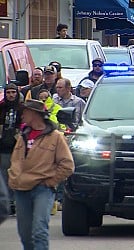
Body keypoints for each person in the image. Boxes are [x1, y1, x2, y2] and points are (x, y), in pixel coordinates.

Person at [8, 99, 74, 249]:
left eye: (25, 111)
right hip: (21, 189)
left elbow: (67, 165)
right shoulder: (22, 136)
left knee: (39, 230)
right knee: (25, 233)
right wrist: (13, 178)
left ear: (35, 114)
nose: (22, 115)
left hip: (42, 189)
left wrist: (51, 182)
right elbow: (15, 161)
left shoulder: (56, 137)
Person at [0, 83, 23, 215]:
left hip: (18, 146)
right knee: (4, 175)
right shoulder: (1, 108)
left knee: (17, 174)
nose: (11, 95)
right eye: (8, 92)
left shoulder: (22, 108)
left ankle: (16, 201)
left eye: (13, 92)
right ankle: (7, 202)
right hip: (3, 146)